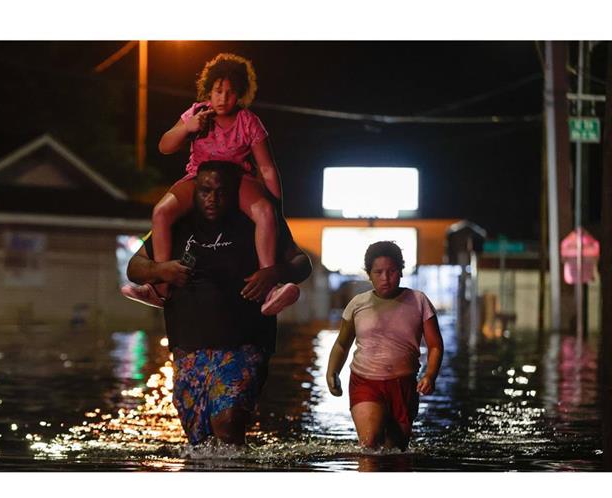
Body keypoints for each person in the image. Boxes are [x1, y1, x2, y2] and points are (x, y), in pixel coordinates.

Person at [126, 160, 311, 445]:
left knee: (227, 424)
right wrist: (160, 270)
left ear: (235, 192)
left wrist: (274, 272)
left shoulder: (256, 222)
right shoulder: (178, 224)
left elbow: (301, 262)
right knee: (199, 440)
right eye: (204, 191)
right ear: (194, 191)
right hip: (188, 348)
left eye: (222, 192)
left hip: (245, 345)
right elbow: (135, 266)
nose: (212, 199)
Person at [125, 53, 292, 312]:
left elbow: (267, 168)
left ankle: (271, 288)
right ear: (208, 91)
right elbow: (164, 146)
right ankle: (159, 288)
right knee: (161, 212)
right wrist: (187, 127)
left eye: (230, 92)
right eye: (217, 91)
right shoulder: (197, 113)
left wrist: (277, 208)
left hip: (236, 180)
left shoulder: (248, 121)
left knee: (265, 212)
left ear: (241, 94)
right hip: (198, 177)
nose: (223, 98)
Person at [325, 241, 443, 451]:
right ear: (368, 274)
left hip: (404, 384)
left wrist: (430, 375)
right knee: (370, 447)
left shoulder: (418, 301)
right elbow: (342, 344)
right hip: (365, 382)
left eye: (392, 271)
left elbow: (435, 345)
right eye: (378, 272)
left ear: (401, 271)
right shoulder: (357, 304)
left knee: (396, 453)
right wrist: (332, 372)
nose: (385, 278)